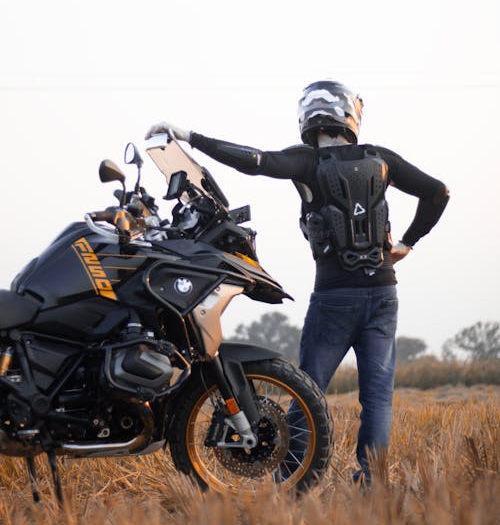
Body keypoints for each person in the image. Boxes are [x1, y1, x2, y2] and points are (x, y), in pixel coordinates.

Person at [145, 80, 449, 485]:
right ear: (350, 116)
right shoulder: (382, 159)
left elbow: (254, 161)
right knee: (377, 397)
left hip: (334, 297)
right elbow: (438, 193)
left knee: (309, 392)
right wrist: (408, 243)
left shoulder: (306, 162)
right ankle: (372, 483)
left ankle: (290, 477)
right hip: (382, 293)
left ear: (308, 119)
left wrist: (190, 137)